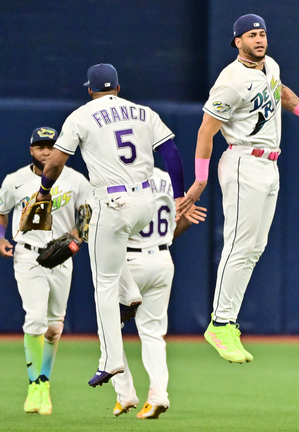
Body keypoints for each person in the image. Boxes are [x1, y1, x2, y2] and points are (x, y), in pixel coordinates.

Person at [177, 14, 299, 364]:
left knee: (255, 247)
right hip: (242, 160)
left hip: (269, 163)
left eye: (263, 33)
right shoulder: (230, 80)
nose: (259, 39)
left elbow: (282, 93)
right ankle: (219, 324)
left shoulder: (271, 67)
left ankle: (228, 322)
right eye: (251, 35)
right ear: (237, 42)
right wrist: (200, 180)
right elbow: (206, 130)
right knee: (238, 244)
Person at [36, 63, 188, 388]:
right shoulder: (143, 112)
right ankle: (131, 292)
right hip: (147, 202)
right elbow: (171, 153)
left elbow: (57, 162)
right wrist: (178, 195)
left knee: (103, 284)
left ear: (90, 90)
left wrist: (43, 191)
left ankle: (111, 360)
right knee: (113, 252)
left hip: (114, 202)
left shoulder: (81, 115)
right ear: (118, 88)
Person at [0, 126, 94, 415]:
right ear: (31, 151)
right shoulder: (16, 180)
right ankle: (35, 385)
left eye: (51, 145)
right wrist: (0, 237)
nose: (46, 151)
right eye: (40, 146)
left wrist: (78, 237)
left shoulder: (76, 180)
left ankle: (44, 382)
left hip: (61, 258)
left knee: (54, 328)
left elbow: (86, 215)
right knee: (35, 319)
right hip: (28, 256)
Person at [111, 168, 207, 420]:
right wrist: (160, 239)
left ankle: (125, 394)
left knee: (108, 329)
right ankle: (158, 395)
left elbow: (110, 228)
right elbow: (186, 217)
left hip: (130, 261)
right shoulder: (166, 178)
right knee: (153, 333)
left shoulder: (120, 179)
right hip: (163, 259)